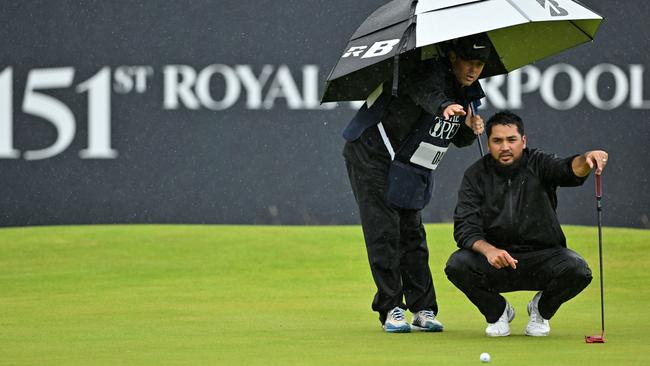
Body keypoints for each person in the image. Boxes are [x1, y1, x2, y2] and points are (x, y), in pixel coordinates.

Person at [342, 33, 492, 333]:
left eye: (480, 64)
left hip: (408, 161)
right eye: (468, 62)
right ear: (453, 57)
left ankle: (423, 308)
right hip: (371, 151)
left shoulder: (468, 90)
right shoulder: (424, 66)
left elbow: (450, 135)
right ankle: (390, 308)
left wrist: (468, 129)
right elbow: (427, 92)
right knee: (384, 230)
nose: (473, 70)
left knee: (412, 232)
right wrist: (445, 106)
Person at [445, 110, 609, 337]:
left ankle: (541, 310)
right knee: (457, 264)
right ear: (488, 142)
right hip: (496, 263)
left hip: (542, 258)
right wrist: (489, 250)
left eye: (511, 140)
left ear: (523, 141)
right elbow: (464, 228)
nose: (505, 147)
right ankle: (497, 312)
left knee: (578, 270)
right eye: (497, 141)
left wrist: (587, 158)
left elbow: (567, 170)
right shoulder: (475, 175)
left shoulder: (539, 163)